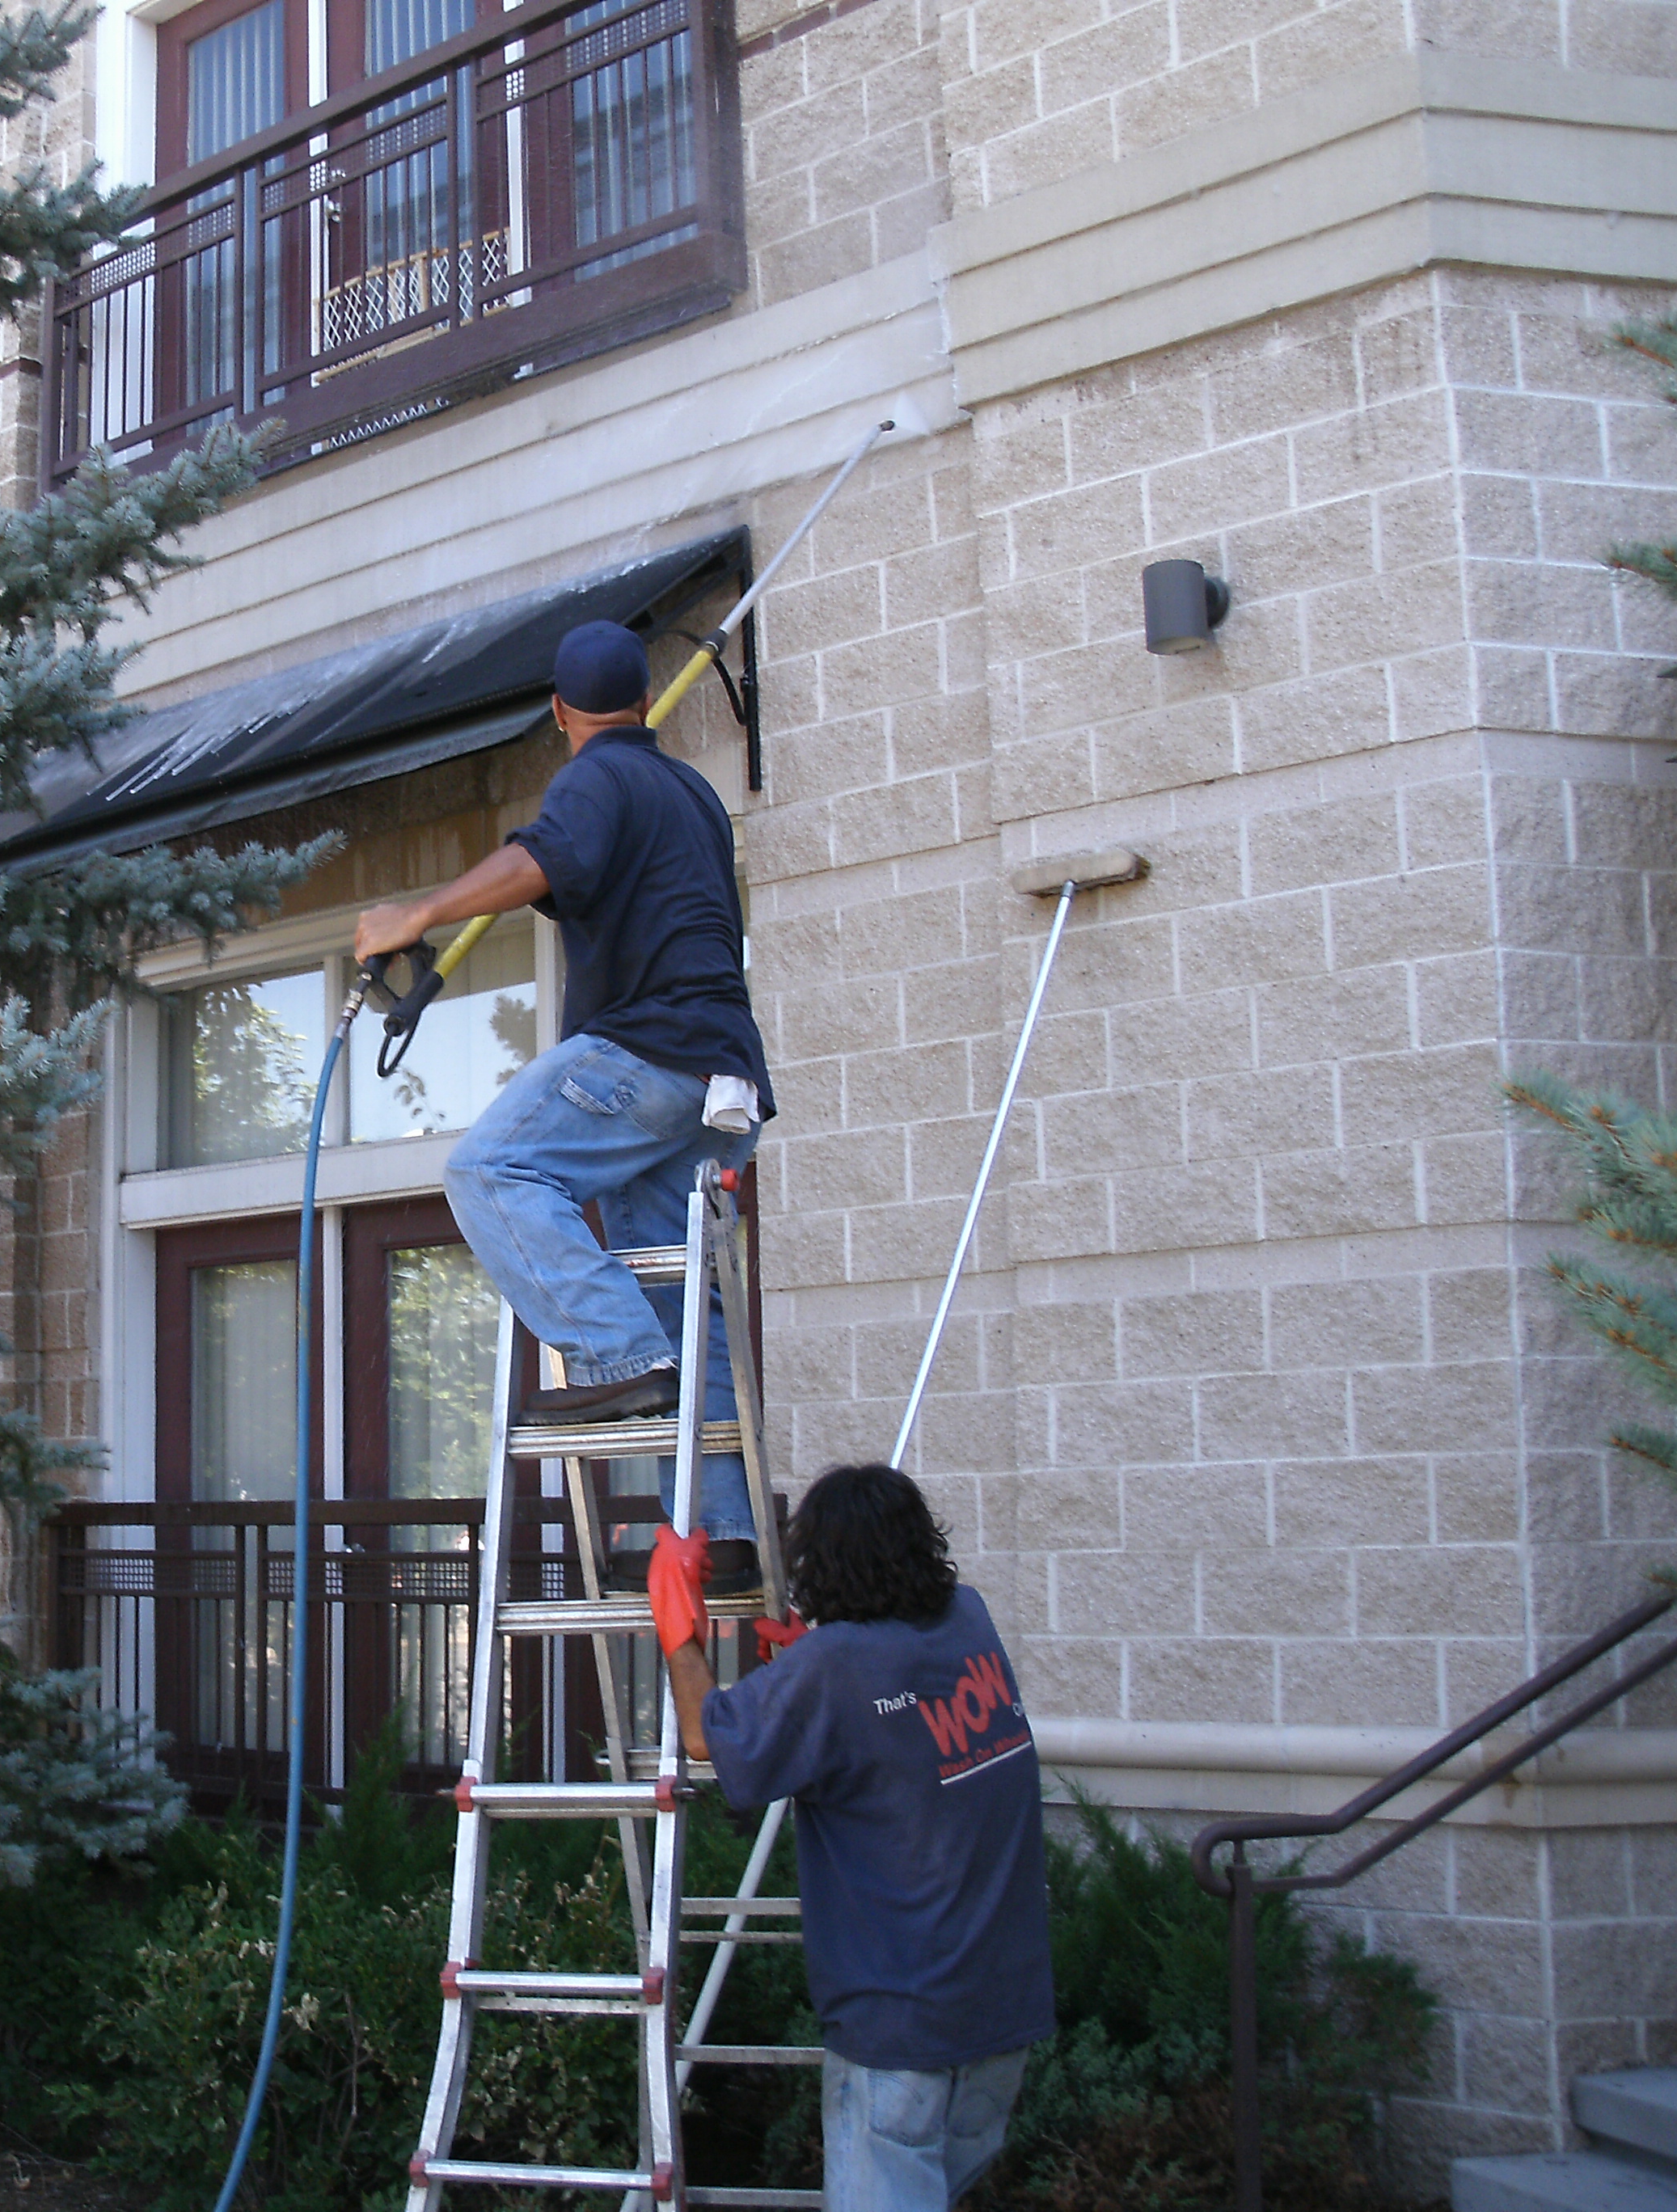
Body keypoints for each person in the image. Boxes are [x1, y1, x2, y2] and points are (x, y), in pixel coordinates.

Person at [354, 617, 775, 1591]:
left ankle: (615, 1364)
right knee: (684, 1296)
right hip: (722, 1081)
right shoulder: (691, 793)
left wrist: (415, 914)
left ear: (559, 712)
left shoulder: (595, 779)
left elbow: (545, 858)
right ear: (642, 702)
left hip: (650, 1051)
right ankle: (722, 1534)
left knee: (490, 1168)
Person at [651, 1465, 1053, 2212]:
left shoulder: (835, 1669)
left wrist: (677, 1624)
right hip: (1002, 2018)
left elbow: (708, 1735)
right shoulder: (971, 1620)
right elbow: (896, 1717)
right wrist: (809, 1672)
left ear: (820, 1567)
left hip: (899, 2034)